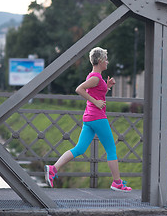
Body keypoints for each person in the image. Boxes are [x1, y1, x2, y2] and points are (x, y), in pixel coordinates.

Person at [44, 47, 132, 192]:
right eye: (106, 59)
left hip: (89, 118)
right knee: (111, 149)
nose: (108, 62)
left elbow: (95, 91)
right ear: (101, 60)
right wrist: (96, 102)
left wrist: (107, 87)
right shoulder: (95, 77)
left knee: (79, 148)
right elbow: (79, 89)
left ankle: (53, 168)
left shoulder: (95, 76)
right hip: (98, 117)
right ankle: (117, 183)